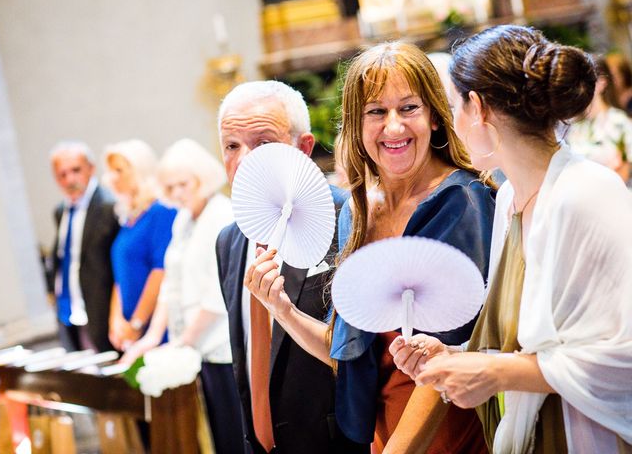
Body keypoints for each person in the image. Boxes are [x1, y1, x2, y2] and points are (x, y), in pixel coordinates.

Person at [245, 42, 496, 453]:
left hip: (445, 435)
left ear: (434, 116)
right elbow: (348, 352)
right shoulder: (358, 210)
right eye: (376, 112)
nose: (393, 127)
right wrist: (282, 310)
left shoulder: (462, 203)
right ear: (357, 126)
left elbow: (447, 364)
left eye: (408, 108)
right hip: (382, 436)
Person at [394, 25, 632, 452]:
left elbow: (623, 357)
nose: (454, 124)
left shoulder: (587, 192)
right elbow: (524, 344)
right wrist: (456, 356)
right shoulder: (508, 199)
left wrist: (495, 373)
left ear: (479, 108)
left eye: (454, 107)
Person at [215, 80, 362, 454]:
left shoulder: (349, 217)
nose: (245, 160)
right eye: (232, 146)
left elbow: (361, 351)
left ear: (304, 147)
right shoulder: (229, 241)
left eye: (263, 143)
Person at [120, 138, 244, 453]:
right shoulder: (182, 219)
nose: (176, 193)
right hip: (195, 346)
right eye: (170, 186)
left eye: (183, 184)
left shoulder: (222, 215)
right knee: (213, 433)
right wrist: (153, 337)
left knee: (234, 431)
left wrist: (184, 339)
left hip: (221, 344)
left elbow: (219, 291)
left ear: (202, 178)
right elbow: (170, 284)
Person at [47, 141, 120, 352]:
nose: (69, 179)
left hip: (103, 310)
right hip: (70, 310)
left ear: (91, 168)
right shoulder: (61, 210)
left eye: (76, 170)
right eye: (62, 174)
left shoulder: (109, 206)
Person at [103, 139, 176, 351]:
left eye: (119, 170)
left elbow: (160, 271)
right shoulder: (128, 218)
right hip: (130, 329)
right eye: (110, 171)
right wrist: (115, 321)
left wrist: (137, 322)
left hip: (156, 325)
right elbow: (119, 277)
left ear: (140, 169)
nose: (112, 178)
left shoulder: (161, 210)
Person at [567, 56, 632, 182]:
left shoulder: (619, 123)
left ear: (601, 83)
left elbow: (625, 171)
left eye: (583, 81)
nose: (577, 88)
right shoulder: (574, 127)